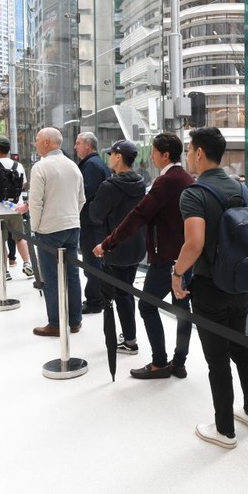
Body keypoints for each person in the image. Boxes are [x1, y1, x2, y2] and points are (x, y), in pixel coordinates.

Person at [171, 126, 248, 449]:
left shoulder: (194, 193)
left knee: (217, 359)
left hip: (210, 285)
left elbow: (193, 243)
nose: (187, 157)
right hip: (241, 282)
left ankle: (224, 429)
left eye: (188, 150)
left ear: (198, 152)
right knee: (240, 346)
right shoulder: (243, 190)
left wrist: (177, 272)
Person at [94, 132, 194, 380]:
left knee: (148, 306)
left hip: (166, 258)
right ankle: (179, 362)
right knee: (183, 309)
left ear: (165, 154)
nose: (151, 156)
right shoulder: (187, 179)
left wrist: (107, 243)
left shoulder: (166, 181)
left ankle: (160, 363)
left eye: (154, 152)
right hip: (185, 257)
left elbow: (138, 216)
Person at [21, 128, 85, 337]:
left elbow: (36, 202)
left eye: (38, 140)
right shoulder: (73, 165)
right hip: (72, 226)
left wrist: (34, 228)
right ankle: (75, 321)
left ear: (47, 142)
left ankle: (56, 323)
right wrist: (72, 216)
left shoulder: (41, 167)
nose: (35, 143)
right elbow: (81, 199)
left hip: (49, 229)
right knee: (72, 274)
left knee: (51, 276)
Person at [89, 140, 146, 356]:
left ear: (119, 157)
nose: (109, 157)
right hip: (137, 244)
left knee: (122, 294)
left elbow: (95, 214)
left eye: (111, 153)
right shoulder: (141, 182)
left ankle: (130, 341)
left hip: (115, 246)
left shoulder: (109, 187)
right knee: (127, 290)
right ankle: (130, 335)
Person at [0, 137, 33, 280]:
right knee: (20, 238)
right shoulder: (18, 165)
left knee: (0, 240)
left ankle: (4, 271)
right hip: (16, 208)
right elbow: (23, 183)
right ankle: (27, 263)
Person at [74, 132, 112, 314]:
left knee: (92, 263)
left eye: (78, 143)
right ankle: (98, 298)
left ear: (88, 145)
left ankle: (95, 301)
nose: (75, 147)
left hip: (91, 223)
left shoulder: (90, 166)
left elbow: (86, 194)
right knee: (96, 262)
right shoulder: (99, 164)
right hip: (97, 222)